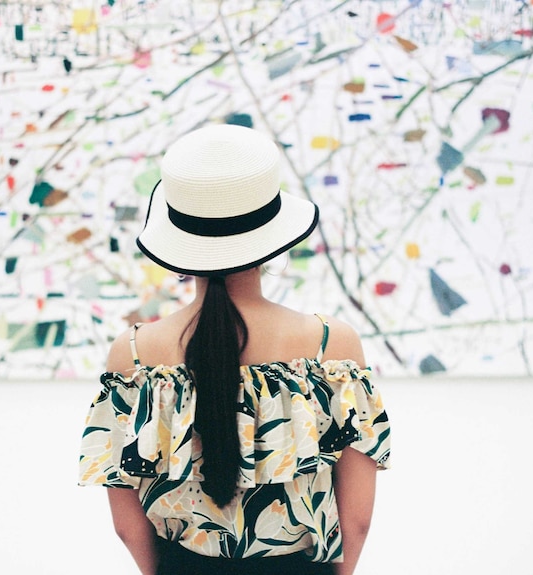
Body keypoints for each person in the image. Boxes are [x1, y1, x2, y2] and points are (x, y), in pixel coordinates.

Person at [78, 124, 391, 575]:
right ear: (271, 229)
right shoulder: (331, 347)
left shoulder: (134, 355)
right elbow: (355, 521)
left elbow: (127, 524)